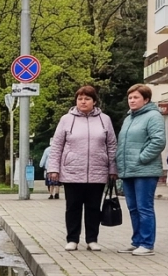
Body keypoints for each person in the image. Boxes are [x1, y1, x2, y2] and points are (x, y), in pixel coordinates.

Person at [44, 86, 117, 251]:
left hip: (97, 171)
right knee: (73, 207)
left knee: (93, 208)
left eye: (87, 99)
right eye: (80, 99)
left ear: (94, 101)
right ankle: (72, 239)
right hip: (72, 171)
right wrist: (53, 168)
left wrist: (113, 168)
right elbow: (57, 146)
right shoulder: (66, 119)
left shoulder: (104, 119)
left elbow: (112, 145)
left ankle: (92, 239)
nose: (83, 102)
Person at [115, 84, 166, 256]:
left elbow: (158, 141)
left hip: (145, 170)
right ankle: (137, 241)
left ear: (146, 99)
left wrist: (141, 158)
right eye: (130, 97)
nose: (132, 100)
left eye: (136, 97)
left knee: (144, 207)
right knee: (133, 208)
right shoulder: (129, 118)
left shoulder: (153, 116)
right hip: (128, 170)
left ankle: (147, 243)